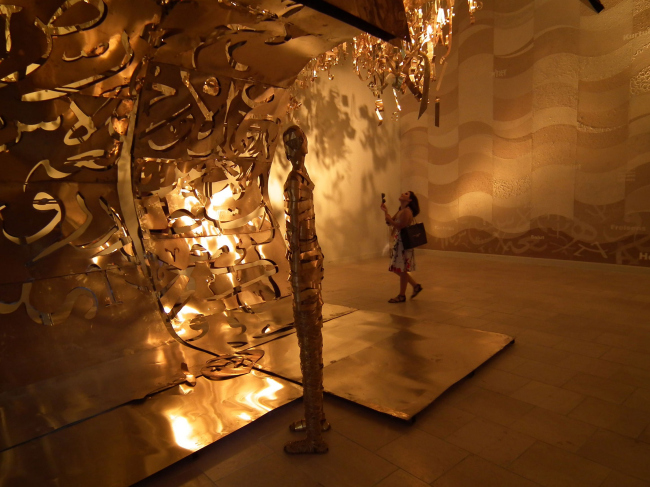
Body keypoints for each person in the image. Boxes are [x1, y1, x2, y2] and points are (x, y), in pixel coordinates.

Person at [282, 125, 329, 454]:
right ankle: (318, 418)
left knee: (309, 350)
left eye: (291, 144)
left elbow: (297, 234)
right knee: (314, 347)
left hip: (304, 274)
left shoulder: (294, 182)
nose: (291, 149)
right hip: (311, 268)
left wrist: (299, 282)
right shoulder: (305, 179)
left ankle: (314, 437)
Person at [380, 191, 423, 303]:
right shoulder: (401, 210)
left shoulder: (407, 212)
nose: (403, 194)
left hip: (403, 243)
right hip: (399, 242)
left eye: (406, 194)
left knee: (401, 269)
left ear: (410, 200)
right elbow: (389, 222)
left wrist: (390, 219)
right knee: (398, 269)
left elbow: (400, 226)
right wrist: (386, 212)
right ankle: (415, 286)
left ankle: (402, 295)